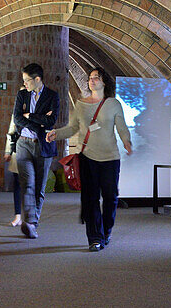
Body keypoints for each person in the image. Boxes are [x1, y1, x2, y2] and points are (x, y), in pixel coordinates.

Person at [47, 68, 132, 252]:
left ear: (104, 82)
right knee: (90, 198)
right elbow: (72, 128)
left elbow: (122, 127)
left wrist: (127, 142)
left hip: (110, 158)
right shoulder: (81, 104)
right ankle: (95, 238)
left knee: (110, 197)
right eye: (90, 78)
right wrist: (57, 133)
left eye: (96, 78)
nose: (92, 81)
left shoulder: (113, 104)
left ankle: (106, 230)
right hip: (87, 158)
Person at [12, 62, 59, 239]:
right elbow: (17, 119)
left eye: (27, 80)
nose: (24, 83)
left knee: (39, 187)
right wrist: (38, 121)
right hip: (23, 144)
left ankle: (32, 223)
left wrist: (30, 116)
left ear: (37, 79)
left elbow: (50, 121)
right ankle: (30, 222)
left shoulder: (52, 96)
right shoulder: (22, 94)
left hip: (43, 146)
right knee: (28, 184)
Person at [3, 116, 21, 226]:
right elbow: (11, 131)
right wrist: (8, 151)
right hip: (18, 148)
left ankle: (30, 217)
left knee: (31, 186)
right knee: (18, 184)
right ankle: (18, 215)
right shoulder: (18, 106)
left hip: (34, 150)